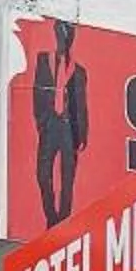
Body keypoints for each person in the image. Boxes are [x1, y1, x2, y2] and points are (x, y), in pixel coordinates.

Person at [31, 19, 90, 228]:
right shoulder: (44, 60)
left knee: (67, 175)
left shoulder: (79, 71)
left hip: (68, 127)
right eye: (61, 35)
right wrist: (41, 122)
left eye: (67, 36)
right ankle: (51, 216)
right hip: (50, 124)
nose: (64, 40)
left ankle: (63, 220)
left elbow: (81, 105)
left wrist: (82, 134)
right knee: (43, 173)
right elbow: (37, 93)